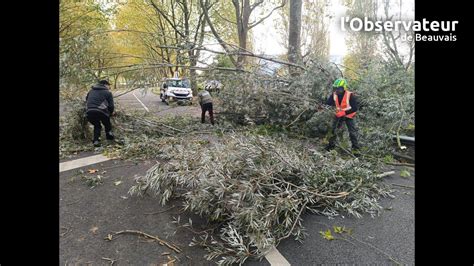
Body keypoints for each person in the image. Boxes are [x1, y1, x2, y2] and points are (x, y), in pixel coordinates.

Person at [324, 78, 360, 152]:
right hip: (339, 115)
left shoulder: (350, 95)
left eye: (339, 88)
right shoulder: (334, 95)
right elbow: (328, 103)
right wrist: (322, 106)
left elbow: (355, 108)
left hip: (349, 115)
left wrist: (344, 113)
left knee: (352, 133)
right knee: (333, 130)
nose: (337, 90)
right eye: (336, 88)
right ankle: (331, 146)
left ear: (343, 88)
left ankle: (356, 149)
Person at [85, 79, 115, 147]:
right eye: (108, 85)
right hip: (101, 111)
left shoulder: (91, 91)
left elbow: (86, 100)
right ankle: (109, 136)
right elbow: (111, 106)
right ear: (105, 85)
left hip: (89, 111)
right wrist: (111, 113)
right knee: (107, 123)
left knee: (97, 125)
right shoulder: (108, 93)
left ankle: (96, 140)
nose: (109, 87)